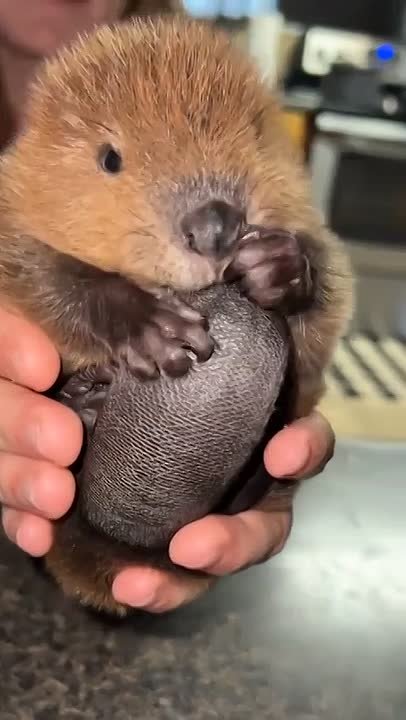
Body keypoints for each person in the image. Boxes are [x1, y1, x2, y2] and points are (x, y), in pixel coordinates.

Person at [0, 0, 335, 613]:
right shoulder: (29, 207)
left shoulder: (201, 48)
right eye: (113, 160)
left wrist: (297, 283)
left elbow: (310, 343)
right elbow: (22, 259)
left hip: (185, 520)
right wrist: (108, 310)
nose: (211, 226)